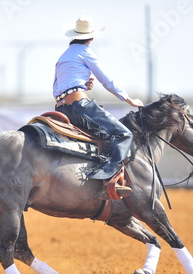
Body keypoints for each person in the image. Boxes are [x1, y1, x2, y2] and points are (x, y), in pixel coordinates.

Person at [53, 15, 144, 198]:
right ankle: (107, 182)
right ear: (92, 37)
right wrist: (128, 99)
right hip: (79, 106)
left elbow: (58, 86)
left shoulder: (64, 56)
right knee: (123, 134)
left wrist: (82, 85)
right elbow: (107, 81)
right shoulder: (86, 52)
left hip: (61, 108)